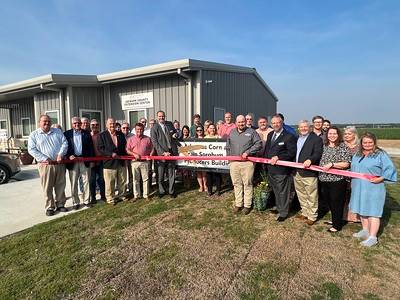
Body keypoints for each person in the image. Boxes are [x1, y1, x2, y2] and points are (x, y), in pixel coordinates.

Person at [349, 132, 397, 247]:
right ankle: (365, 230)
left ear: (374, 142)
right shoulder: (358, 154)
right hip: (358, 186)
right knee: (361, 209)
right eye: (365, 142)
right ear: (361, 143)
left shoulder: (380, 154)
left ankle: (373, 237)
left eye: (370, 142)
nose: (367, 144)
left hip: (374, 187)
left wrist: (381, 178)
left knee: (373, 212)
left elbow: (390, 169)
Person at [28, 115, 68, 216]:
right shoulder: (34, 135)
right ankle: (50, 206)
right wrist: (45, 158)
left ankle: (60, 204)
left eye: (49, 121)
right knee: (47, 187)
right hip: (45, 165)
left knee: (60, 185)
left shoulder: (57, 132)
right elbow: (31, 149)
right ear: (39, 122)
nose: (47, 123)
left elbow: (65, 143)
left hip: (59, 163)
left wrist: (60, 154)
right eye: (44, 121)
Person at [264, 114, 297, 221]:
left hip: (282, 170)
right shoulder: (270, 135)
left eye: (277, 122)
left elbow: (292, 152)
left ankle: (283, 213)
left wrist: (279, 157)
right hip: (271, 168)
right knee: (276, 190)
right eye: (273, 123)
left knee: (283, 191)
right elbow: (267, 150)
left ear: (282, 123)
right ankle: (279, 207)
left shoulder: (289, 136)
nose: (275, 125)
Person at [319, 126, 352, 232]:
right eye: (330, 133)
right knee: (329, 201)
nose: (332, 136)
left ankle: (337, 225)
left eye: (334, 134)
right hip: (324, 179)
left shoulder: (343, 147)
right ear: (326, 135)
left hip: (337, 180)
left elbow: (346, 163)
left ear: (338, 135)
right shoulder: (324, 146)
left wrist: (332, 164)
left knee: (336, 202)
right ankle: (335, 219)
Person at [227, 115, 262, 215]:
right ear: (236, 122)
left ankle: (247, 205)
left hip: (247, 163)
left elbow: (258, 144)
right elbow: (228, 146)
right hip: (234, 163)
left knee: (247, 184)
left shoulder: (251, 132)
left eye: (243, 122)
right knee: (236, 183)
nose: (241, 124)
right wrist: (229, 158)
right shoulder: (232, 132)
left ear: (245, 122)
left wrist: (248, 152)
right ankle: (238, 204)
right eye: (239, 122)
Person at [293, 120, 323, 225]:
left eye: (305, 127)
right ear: (298, 128)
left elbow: (318, 153)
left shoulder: (316, 139)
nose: (303, 128)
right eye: (301, 127)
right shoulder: (298, 139)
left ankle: (312, 216)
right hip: (296, 171)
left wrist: (311, 160)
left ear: (310, 127)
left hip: (309, 172)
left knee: (311, 195)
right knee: (301, 193)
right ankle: (304, 212)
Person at [64, 117, 95, 209]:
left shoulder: (86, 133)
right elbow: (64, 147)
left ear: (81, 124)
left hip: (84, 161)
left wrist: (91, 160)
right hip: (72, 162)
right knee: (74, 183)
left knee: (86, 182)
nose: (77, 125)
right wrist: (68, 156)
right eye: (75, 123)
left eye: (78, 123)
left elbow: (90, 148)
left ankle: (86, 201)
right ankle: (75, 202)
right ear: (71, 124)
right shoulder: (66, 134)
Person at [98, 117, 127, 205]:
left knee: (122, 180)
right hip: (109, 163)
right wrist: (111, 154)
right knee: (110, 183)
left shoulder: (120, 134)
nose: (112, 125)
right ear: (106, 125)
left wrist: (125, 158)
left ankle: (122, 195)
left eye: (113, 123)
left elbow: (124, 147)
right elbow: (100, 148)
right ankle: (110, 198)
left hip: (120, 162)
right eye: (110, 123)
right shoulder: (102, 135)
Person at [151, 110, 179, 198]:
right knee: (160, 174)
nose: (161, 118)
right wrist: (163, 152)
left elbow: (175, 133)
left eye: (162, 116)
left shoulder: (169, 124)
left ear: (165, 116)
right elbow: (155, 142)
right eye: (159, 116)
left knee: (171, 173)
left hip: (171, 152)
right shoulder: (154, 128)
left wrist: (175, 135)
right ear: (157, 117)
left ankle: (171, 191)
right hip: (161, 154)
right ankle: (162, 191)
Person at [126, 123, 153, 199]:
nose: (139, 131)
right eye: (138, 129)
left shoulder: (147, 139)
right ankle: (137, 195)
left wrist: (150, 155)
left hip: (145, 162)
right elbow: (127, 150)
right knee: (135, 180)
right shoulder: (130, 139)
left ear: (143, 130)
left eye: (141, 129)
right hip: (135, 162)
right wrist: (134, 154)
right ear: (135, 130)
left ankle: (146, 195)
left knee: (145, 179)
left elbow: (152, 148)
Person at [343, 126, 361, 223]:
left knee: (355, 194)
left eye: (349, 134)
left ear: (354, 134)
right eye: (345, 134)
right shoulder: (342, 145)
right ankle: (345, 215)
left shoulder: (360, 146)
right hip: (343, 174)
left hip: (357, 174)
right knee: (345, 194)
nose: (346, 136)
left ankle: (356, 216)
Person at [89, 119, 106, 203]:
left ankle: (103, 196)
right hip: (91, 162)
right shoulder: (88, 135)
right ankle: (93, 198)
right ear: (90, 126)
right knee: (92, 180)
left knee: (101, 179)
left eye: (96, 125)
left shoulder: (101, 135)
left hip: (101, 161)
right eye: (93, 125)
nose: (95, 126)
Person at [205, 123, 222, 196]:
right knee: (209, 175)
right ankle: (209, 190)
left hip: (217, 160)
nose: (212, 129)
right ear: (208, 129)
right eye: (211, 128)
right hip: (208, 160)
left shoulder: (219, 137)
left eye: (213, 128)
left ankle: (218, 190)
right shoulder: (205, 138)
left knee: (217, 175)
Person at [121, 122, 134, 198]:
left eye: (127, 128)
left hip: (131, 158)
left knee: (131, 175)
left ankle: (131, 189)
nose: (126, 129)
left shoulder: (132, 136)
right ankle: (123, 191)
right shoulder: (118, 135)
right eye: (124, 128)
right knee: (123, 176)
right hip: (122, 159)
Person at [195, 125, 207, 193]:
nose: (199, 131)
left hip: (204, 157)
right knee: (198, 172)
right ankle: (201, 186)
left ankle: (205, 185)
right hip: (196, 157)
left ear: (202, 131)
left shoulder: (205, 138)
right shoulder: (193, 139)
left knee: (204, 173)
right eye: (198, 130)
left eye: (200, 130)